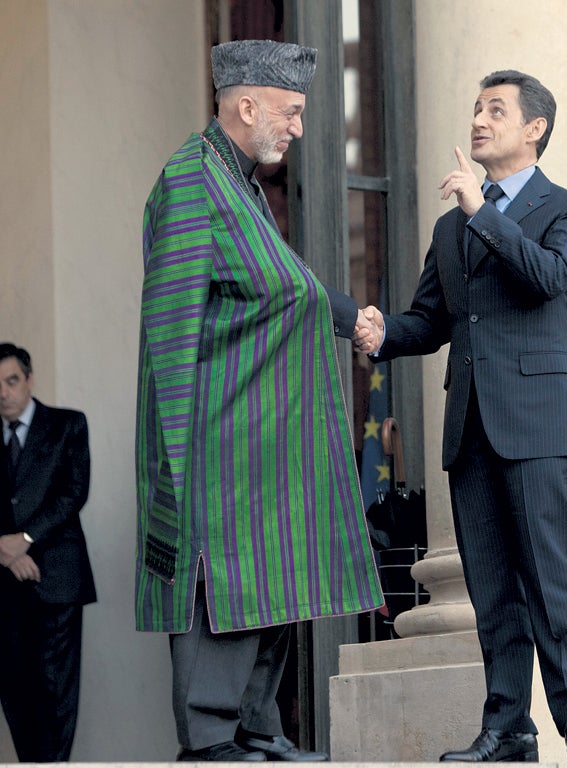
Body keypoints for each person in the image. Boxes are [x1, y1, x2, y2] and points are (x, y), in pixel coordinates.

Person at [136, 39, 384, 762]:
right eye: (293, 112)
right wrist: (175, 466)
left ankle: (257, 730)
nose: (300, 129)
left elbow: (284, 287)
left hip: (267, 440)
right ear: (247, 105)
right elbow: (170, 333)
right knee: (227, 591)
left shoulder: (237, 183)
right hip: (219, 443)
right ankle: (212, 743)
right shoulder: (190, 180)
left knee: (277, 586)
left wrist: (349, 317)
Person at [363, 70, 567, 763]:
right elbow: (430, 321)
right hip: (471, 422)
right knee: (492, 586)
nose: (478, 120)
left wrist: (483, 213)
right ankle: (508, 727)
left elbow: (549, 278)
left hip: (542, 419)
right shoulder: (453, 227)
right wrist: (380, 333)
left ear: (534, 129)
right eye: (475, 108)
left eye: (495, 110)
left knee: (552, 576)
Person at [0, 342, 96, 762]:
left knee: (55, 691)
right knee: (14, 690)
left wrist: (24, 540)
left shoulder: (67, 425)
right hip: (4, 589)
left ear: (29, 379)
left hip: (57, 581)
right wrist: (3, 551)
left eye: (11, 380)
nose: (3, 392)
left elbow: (73, 493)